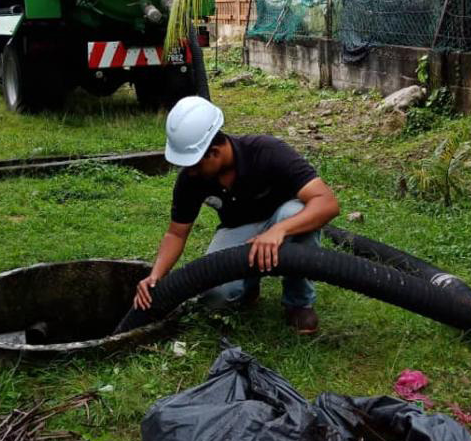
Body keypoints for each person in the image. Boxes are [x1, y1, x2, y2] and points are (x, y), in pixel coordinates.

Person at [134, 96, 340, 334]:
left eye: (195, 165)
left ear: (215, 151)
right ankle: (248, 285)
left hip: (283, 221)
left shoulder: (266, 151)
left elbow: (327, 203)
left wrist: (278, 230)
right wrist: (156, 276)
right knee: (215, 299)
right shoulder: (191, 178)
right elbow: (176, 233)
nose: (190, 171)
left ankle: (299, 303)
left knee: (298, 212)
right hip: (237, 229)